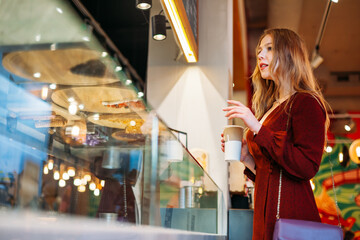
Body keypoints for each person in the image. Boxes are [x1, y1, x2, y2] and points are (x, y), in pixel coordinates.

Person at [221, 28, 330, 240]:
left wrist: (258, 128)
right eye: (260, 50)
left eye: (269, 49)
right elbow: (270, 169)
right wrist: (247, 158)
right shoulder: (271, 107)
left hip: (290, 217)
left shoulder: (306, 102)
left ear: (290, 54)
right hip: (266, 216)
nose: (260, 55)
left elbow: (307, 165)